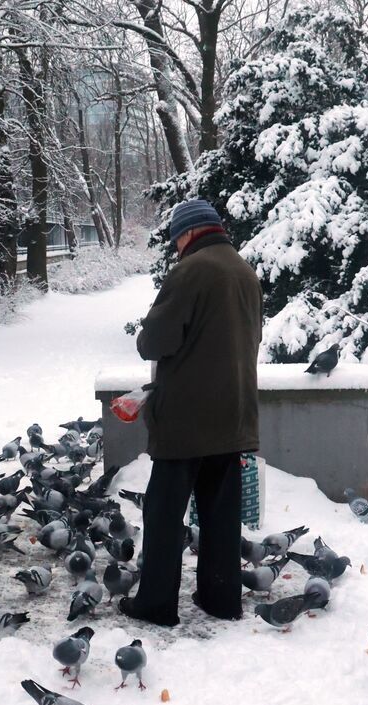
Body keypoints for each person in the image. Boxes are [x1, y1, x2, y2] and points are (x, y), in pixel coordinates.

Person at [118, 199, 262, 626]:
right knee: (220, 515)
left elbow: (155, 341)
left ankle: (156, 605)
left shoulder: (191, 270)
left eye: (176, 239)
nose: (176, 247)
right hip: (233, 415)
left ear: (188, 234)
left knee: (163, 514)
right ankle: (221, 599)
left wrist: (148, 330)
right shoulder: (244, 272)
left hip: (186, 420)